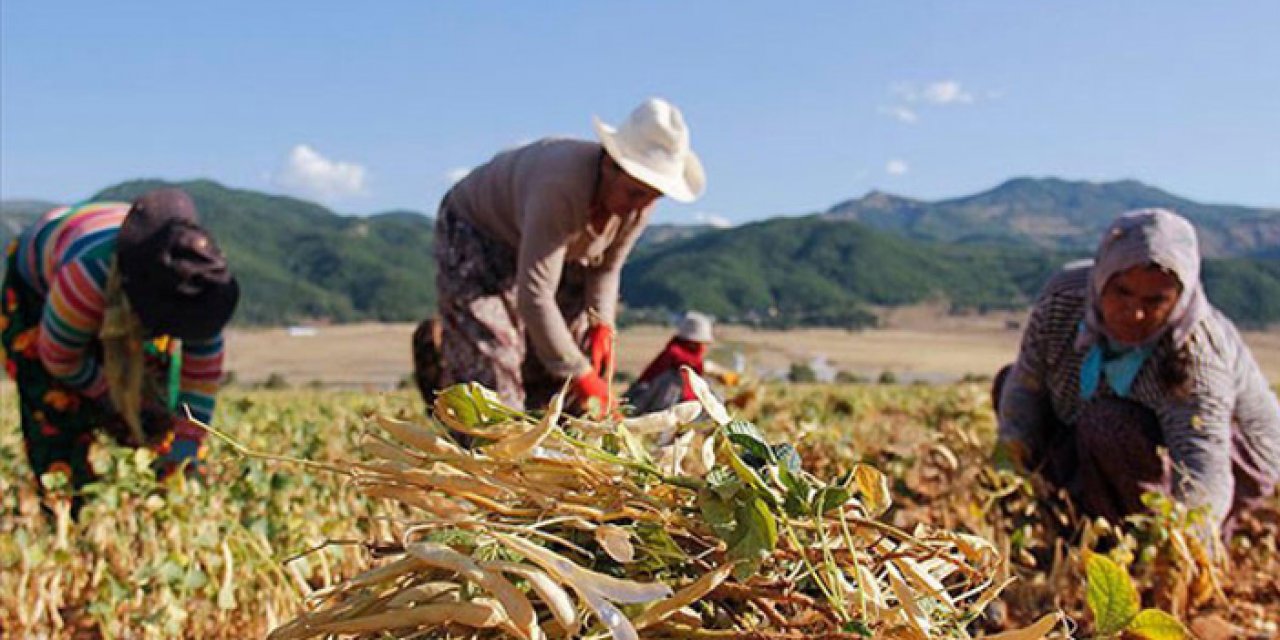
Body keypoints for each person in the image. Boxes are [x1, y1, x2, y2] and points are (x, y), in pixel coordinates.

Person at [995, 208, 1280, 542]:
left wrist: (1182, 544)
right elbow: (1026, 386)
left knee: (1108, 424)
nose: (1136, 312)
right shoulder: (1064, 299)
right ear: (1101, 279)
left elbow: (1202, 467)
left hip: (1231, 457)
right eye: (1122, 292)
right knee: (1008, 384)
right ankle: (1071, 520)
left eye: (1156, 299)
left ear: (1180, 298)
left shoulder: (1194, 354)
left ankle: (1125, 539)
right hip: (1112, 430)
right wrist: (1008, 472)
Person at [414, 98, 705, 415]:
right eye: (634, 193)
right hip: (480, 232)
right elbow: (535, 296)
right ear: (609, 164)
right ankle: (468, 414)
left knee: (565, 351)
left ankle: (548, 436)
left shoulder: (638, 205)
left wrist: (602, 325)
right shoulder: (560, 186)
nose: (640, 206)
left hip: (553, 249)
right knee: (494, 356)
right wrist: (579, 372)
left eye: (652, 198)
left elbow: (606, 270)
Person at [1, 188, 239, 511]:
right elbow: (59, 358)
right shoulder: (86, 276)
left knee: (156, 400)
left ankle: (156, 494)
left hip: (126, 276)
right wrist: (112, 399)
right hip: (40, 289)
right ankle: (68, 509)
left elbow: (199, 382)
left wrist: (183, 453)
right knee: (55, 405)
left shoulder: (201, 284)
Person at [625, 311, 738, 413]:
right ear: (692, 342)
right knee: (674, 379)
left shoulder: (686, 355)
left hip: (659, 398)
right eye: (701, 343)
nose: (703, 347)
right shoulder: (673, 353)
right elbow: (688, 362)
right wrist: (715, 371)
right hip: (645, 397)